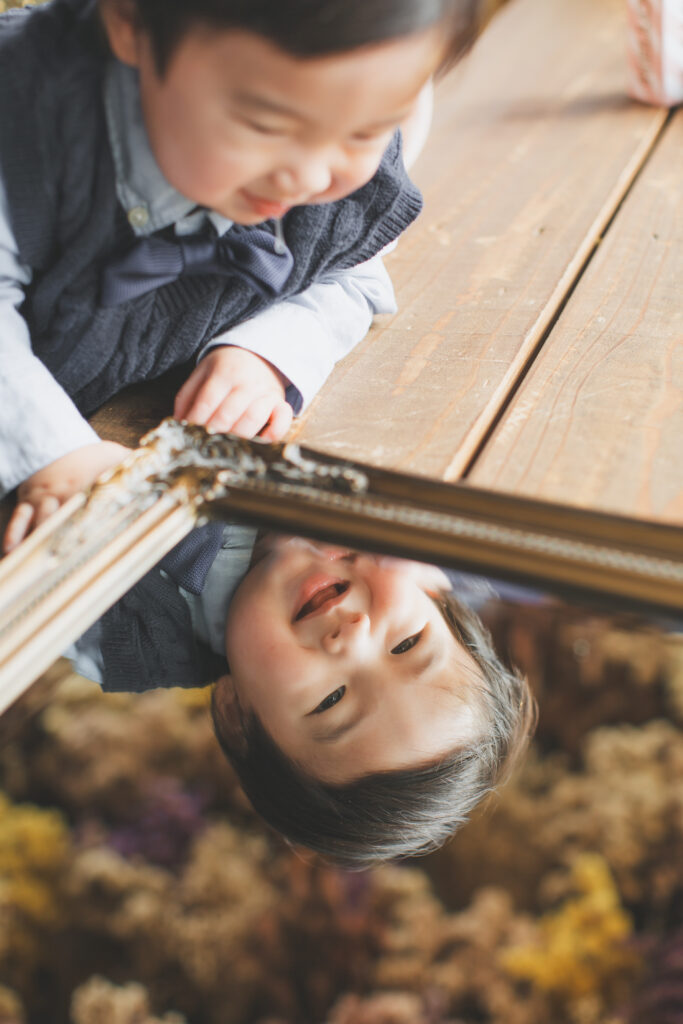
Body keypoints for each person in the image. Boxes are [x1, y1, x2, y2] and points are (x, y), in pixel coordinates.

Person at [0, 0, 475, 551]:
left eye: (364, 134)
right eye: (265, 126)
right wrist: (56, 454)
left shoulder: (338, 120)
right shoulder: (26, 118)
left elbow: (350, 267)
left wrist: (267, 352)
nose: (310, 176)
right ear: (130, 21)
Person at [70, 527, 536, 868]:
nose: (354, 639)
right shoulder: (384, 497)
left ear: (237, 714)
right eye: (408, 644)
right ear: (435, 590)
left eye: (331, 699)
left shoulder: (121, 627)